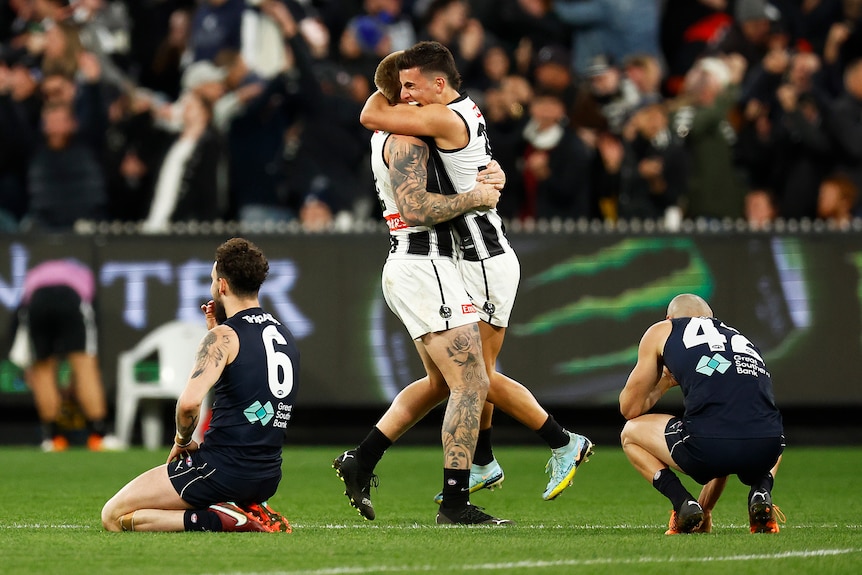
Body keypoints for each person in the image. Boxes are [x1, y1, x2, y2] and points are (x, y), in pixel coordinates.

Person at [355, 41, 593, 510]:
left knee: (473, 377)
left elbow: (370, 113)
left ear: (439, 84)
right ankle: (475, 458)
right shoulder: (452, 110)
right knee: (457, 380)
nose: (405, 96)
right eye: (400, 87)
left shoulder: (442, 117)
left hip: (484, 257)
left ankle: (563, 442)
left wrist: (387, 85)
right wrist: (488, 180)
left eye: (412, 86)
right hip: (467, 251)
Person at [334, 50, 510, 525]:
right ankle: (455, 503)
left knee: (443, 383)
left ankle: (362, 458)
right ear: (396, 94)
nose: (411, 95)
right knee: (472, 380)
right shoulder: (406, 137)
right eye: (404, 88)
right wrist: (477, 194)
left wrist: (489, 173)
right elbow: (414, 207)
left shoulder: (413, 127)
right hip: (422, 260)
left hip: (424, 263)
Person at [101, 237, 299, 533]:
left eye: (211, 279)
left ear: (222, 286)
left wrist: (182, 442)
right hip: (267, 475)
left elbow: (190, 403)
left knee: (114, 516)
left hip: (221, 469)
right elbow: (252, 387)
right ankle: (241, 505)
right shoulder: (283, 335)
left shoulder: (224, 337)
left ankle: (222, 519)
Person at [619, 293, 785, 535]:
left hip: (709, 448)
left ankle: (682, 503)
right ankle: (761, 491)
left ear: (669, 318)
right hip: (767, 448)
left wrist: (665, 381)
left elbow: (629, 408)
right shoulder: (739, 337)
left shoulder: (663, 330)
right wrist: (706, 511)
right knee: (760, 423)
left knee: (630, 433)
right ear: (712, 318)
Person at [14, 259, 112, 452]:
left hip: (37, 302)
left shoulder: (35, 274)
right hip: (70, 299)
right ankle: (98, 436)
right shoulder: (83, 274)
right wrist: (76, 380)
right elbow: (92, 313)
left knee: (43, 369)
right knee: (84, 365)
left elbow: (21, 311)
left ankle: (52, 438)